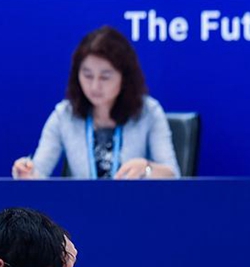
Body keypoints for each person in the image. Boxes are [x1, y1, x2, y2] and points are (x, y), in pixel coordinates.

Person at [12, 26, 180, 180]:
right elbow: (39, 173)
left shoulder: (149, 111)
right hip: (80, 203)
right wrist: (26, 173)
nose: (94, 86)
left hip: (134, 202)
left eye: (105, 77)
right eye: (87, 75)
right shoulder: (64, 114)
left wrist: (147, 168)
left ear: (124, 77)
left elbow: (173, 175)